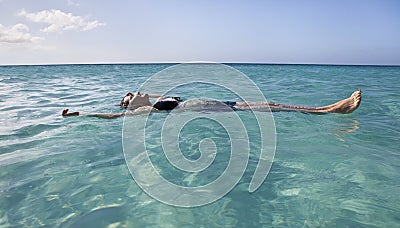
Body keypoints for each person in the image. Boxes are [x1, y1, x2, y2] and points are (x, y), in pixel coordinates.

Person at [62, 89, 362, 119]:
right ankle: (334, 110)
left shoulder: (154, 100)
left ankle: (326, 109)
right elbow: (112, 117)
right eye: (131, 95)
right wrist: (82, 113)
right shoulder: (142, 110)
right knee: (269, 108)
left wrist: (146, 94)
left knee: (269, 103)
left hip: (217, 103)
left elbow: (155, 92)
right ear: (128, 104)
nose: (136, 93)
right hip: (198, 109)